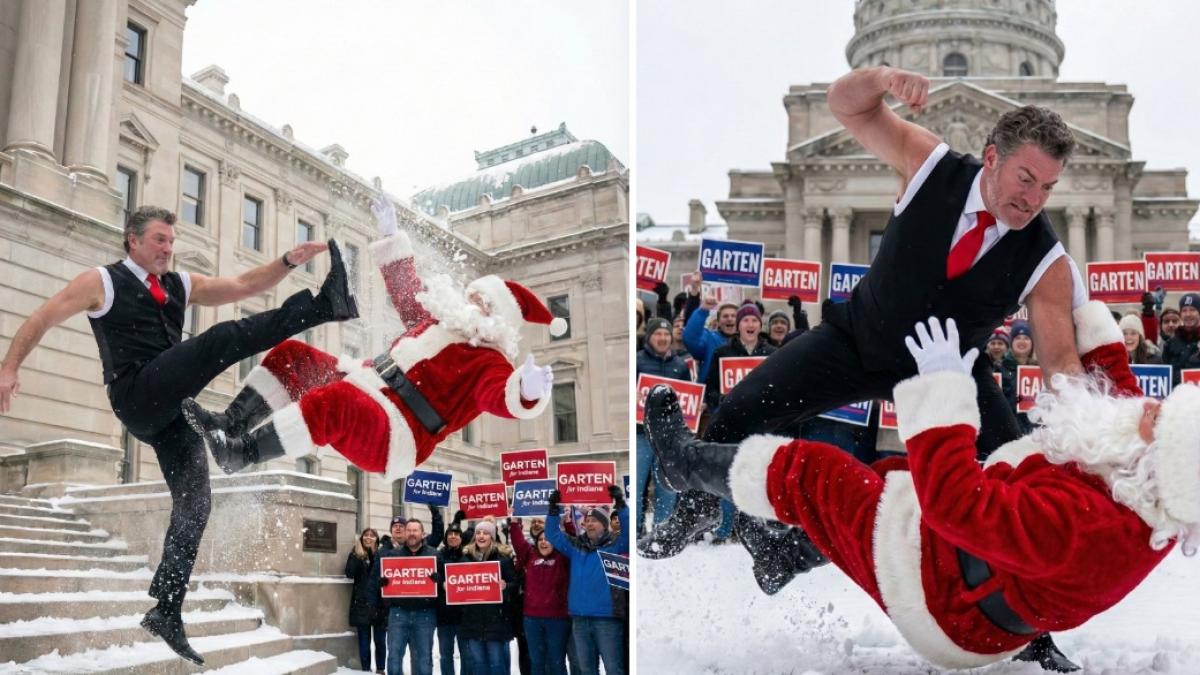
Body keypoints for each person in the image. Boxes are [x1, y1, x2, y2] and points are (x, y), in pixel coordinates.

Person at [641, 66, 1088, 670]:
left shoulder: (1048, 258)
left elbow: (1060, 360)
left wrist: (1086, 436)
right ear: (991, 159)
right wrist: (881, 78)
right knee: (738, 416)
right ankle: (695, 512)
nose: (1032, 199)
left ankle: (1032, 633)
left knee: (1013, 485)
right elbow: (847, 108)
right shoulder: (932, 164)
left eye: (1048, 188)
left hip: (947, 380)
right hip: (856, 340)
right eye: (1025, 178)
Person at [641, 304, 1200, 671]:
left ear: (1157, 463)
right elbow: (1124, 403)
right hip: (981, 574)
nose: (1151, 406)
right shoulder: (1147, 478)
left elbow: (955, 505)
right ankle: (785, 559)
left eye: (1161, 417)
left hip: (946, 602)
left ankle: (681, 464)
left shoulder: (1093, 529)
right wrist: (1090, 318)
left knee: (817, 475)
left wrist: (941, 390)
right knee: (884, 482)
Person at [0, 206, 355, 663]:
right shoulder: (102, 282)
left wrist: (286, 261)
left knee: (196, 500)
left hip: (171, 408)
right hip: (135, 394)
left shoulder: (179, 285)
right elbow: (43, 317)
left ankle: (167, 608)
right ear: (133, 240)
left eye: (171, 241)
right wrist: (9, 368)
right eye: (159, 240)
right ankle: (325, 305)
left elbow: (244, 286)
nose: (168, 248)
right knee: (221, 339)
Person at [184, 203, 562, 484]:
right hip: (366, 382)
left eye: (481, 303)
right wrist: (390, 237)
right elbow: (406, 291)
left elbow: (500, 396)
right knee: (293, 357)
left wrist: (526, 391)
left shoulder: (489, 364)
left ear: (498, 321)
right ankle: (230, 424)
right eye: (472, 296)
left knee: (334, 403)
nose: (470, 304)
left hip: (395, 431)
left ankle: (242, 453)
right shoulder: (439, 321)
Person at [543, 486, 629, 675]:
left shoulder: (616, 544)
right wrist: (553, 510)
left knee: (614, 668)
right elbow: (553, 535)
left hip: (607, 619)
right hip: (579, 619)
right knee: (586, 669)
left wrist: (621, 505)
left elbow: (629, 530)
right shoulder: (575, 546)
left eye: (594, 521)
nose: (589, 524)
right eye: (587, 521)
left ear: (605, 525)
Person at [635, 317, 689, 536]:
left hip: (669, 436)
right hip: (642, 434)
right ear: (650, 336)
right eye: (658, 333)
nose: (663, 338)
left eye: (667, 334)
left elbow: (688, 398)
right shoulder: (637, 361)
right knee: (637, 486)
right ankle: (636, 531)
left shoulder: (680, 365)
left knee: (666, 485)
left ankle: (662, 531)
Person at [370, 519, 443, 675]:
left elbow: (446, 585)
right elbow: (377, 583)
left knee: (423, 659)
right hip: (398, 612)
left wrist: (439, 579)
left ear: (422, 534)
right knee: (394, 658)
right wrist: (382, 583)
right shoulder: (392, 555)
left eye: (415, 530)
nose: (411, 533)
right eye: (408, 530)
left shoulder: (434, 554)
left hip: (425, 613)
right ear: (404, 533)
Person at [510, 519, 570, 675]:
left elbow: (571, 539)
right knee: (536, 663)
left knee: (556, 662)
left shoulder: (562, 557)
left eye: (548, 539)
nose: (544, 542)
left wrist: (568, 523)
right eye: (541, 540)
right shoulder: (530, 555)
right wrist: (515, 523)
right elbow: (518, 543)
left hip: (557, 619)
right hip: (532, 619)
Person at [459, 520, 518, 675]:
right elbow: (458, 583)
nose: (481, 536)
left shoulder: (503, 559)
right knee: (478, 663)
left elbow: (515, 584)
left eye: (485, 533)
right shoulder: (465, 559)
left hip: (496, 620)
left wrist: (506, 586)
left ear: (492, 536)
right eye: (478, 533)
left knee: (497, 662)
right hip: (473, 619)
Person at [347, 528, 388, 673]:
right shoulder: (357, 554)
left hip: (379, 604)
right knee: (364, 641)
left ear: (376, 539)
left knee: (380, 641)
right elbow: (349, 573)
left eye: (372, 536)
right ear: (362, 537)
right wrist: (356, 554)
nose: (368, 538)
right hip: (362, 604)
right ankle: (366, 670)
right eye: (366, 535)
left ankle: (381, 669)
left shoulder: (381, 554)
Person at [436, 519, 473, 675]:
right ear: (446, 538)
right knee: (446, 655)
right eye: (450, 534)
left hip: (464, 615)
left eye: (456, 534)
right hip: (444, 615)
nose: (453, 537)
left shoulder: (469, 557)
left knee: (467, 655)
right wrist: (440, 581)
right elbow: (432, 577)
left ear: (461, 537)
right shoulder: (437, 557)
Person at [1162, 293, 1200, 384]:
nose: (1188, 314)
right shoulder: (1170, 343)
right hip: (1176, 395)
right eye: (1184, 310)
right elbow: (1164, 375)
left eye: (1192, 310)